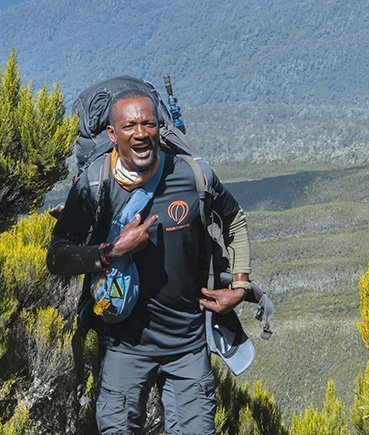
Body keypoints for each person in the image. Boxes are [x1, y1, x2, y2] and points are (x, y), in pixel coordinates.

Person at [47, 89, 252, 434]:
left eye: (148, 124)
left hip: (188, 347)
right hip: (124, 348)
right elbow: (56, 256)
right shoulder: (95, 183)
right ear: (112, 134)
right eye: (129, 126)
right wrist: (111, 251)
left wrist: (241, 286)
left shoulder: (192, 176)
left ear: (160, 127)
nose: (140, 133)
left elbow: (234, 220)